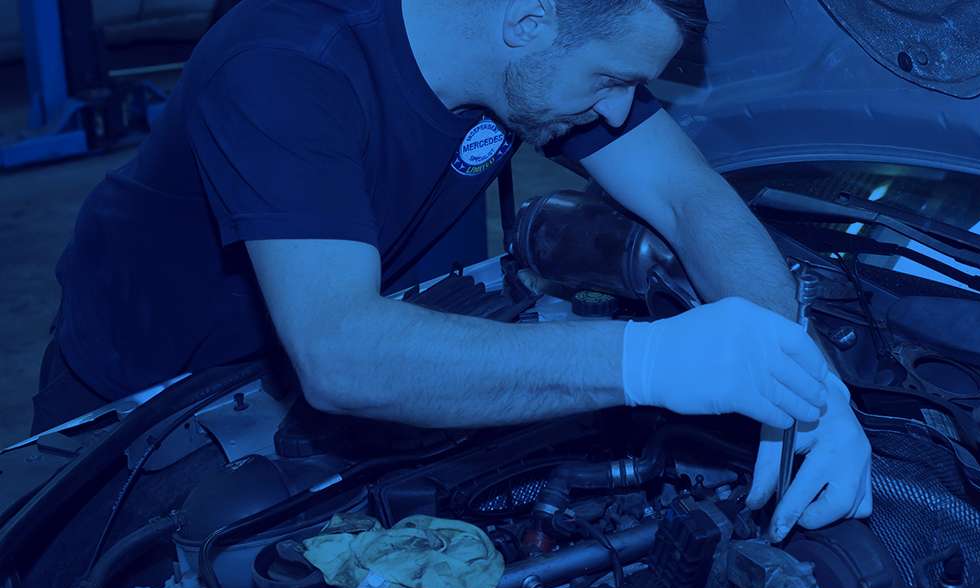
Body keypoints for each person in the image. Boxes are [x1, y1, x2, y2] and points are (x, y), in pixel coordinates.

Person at [36, 0, 871, 541]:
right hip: (147, 407)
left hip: (360, 364)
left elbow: (693, 199)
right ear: (527, 21)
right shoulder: (287, 62)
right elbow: (342, 356)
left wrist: (797, 365)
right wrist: (653, 359)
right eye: (614, 79)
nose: (621, 110)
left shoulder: (530, 63)